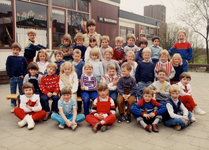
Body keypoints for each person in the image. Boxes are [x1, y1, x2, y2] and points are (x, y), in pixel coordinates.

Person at [6, 42, 28, 112]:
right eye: (14, 49)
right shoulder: (9, 58)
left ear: (19, 50)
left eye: (17, 50)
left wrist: (23, 75)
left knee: (21, 92)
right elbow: (7, 67)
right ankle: (13, 105)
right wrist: (10, 76)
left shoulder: (22, 58)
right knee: (13, 92)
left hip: (20, 78)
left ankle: (21, 104)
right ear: (12, 50)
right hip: (13, 78)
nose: (15, 51)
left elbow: (26, 67)